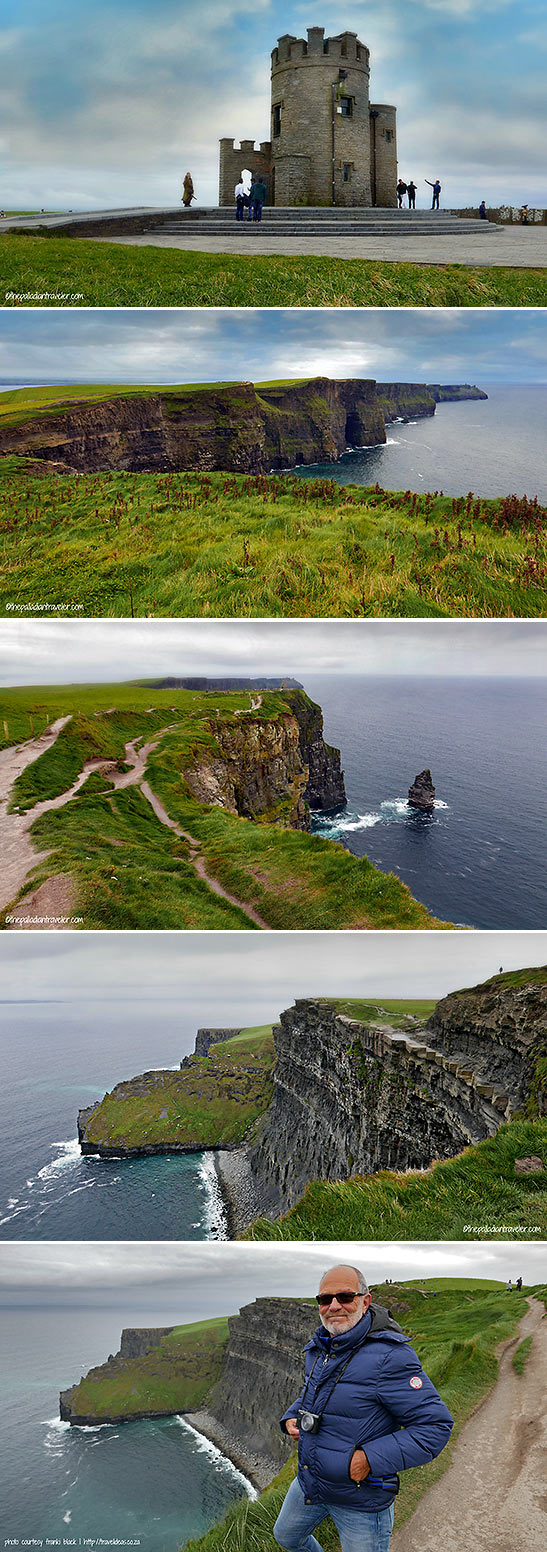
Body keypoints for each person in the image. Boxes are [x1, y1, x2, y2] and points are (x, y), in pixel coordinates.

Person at [273, 1263, 453, 1552]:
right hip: (311, 1480)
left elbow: (436, 1427)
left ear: (365, 1301)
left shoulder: (391, 1356)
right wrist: (292, 1416)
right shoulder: (320, 1348)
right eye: (324, 1299)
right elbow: (313, 1393)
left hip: (361, 1498)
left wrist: (368, 1458)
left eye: (345, 1297)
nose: (334, 1306)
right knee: (287, 1537)